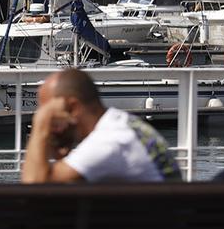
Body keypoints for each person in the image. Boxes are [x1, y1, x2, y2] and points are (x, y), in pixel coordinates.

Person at [21, 68, 180, 184]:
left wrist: (40, 124)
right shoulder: (120, 126)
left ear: (73, 108)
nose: (52, 126)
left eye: (51, 115)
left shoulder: (108, 142)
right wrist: (61, 157)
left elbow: (34, 187)